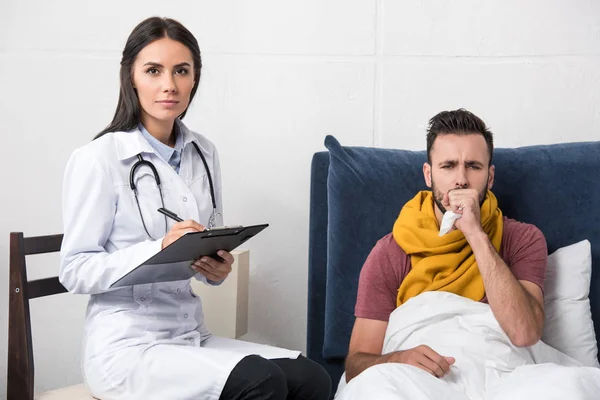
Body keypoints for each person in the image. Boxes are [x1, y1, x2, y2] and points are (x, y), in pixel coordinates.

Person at [59, 16, 331, 400]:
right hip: (127, 347)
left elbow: (205, 252)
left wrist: (215, 269)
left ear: (194, 79)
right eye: (153, 70)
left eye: (181, 71)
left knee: (311, 377)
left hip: (188, 335)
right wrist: (159, 248)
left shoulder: (204, 153)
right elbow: (73, 270)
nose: (169, 85)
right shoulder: (98, 159)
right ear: (131, 77)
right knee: (260, 381)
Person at [344, 109, 547, 383]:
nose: (461, 179)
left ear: (490, 177)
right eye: (448, 166)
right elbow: (356, 365)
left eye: (473, 166)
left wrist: (476, 235)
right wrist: (397, 359)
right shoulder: (391, 252)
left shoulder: (523, 239)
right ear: (428, 175)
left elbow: (525, 333)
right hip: (418, 381)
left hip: (501, 376)